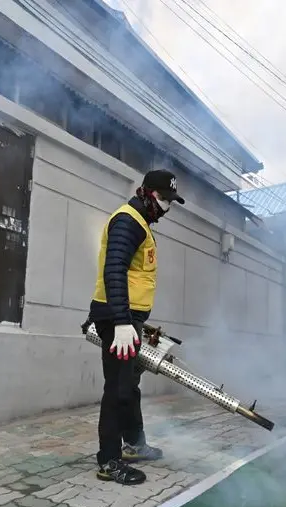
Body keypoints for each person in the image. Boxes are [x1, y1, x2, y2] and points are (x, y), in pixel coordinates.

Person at [85, 170, 185, 485]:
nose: (166, 208)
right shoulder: (128, 221)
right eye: (163, 199)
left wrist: (135, 321)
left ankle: (134, 445)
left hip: (127, 320)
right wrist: (122, 321)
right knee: (117, 389)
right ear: (145, 193)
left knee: (128, 386)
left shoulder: (140, 223)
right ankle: (109, 461)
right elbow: (114, 269)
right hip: (118, 320)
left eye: (171, 201)